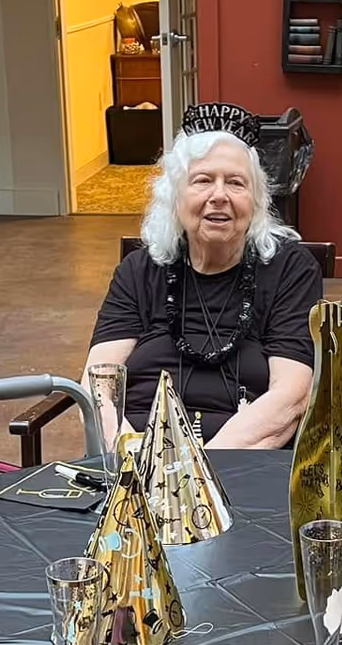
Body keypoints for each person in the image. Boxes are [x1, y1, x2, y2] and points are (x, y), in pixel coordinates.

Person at [85, 103, 321, 447]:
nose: (219, 196)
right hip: (136, 465)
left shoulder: (289, 270)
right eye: (203, 180)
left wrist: (193, 477)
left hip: (240, 467)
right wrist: (129, 458)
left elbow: (291, 397)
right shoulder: (140, 270)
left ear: (255, 201)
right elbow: (98, 385)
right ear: (174, 197)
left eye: (236, 183)